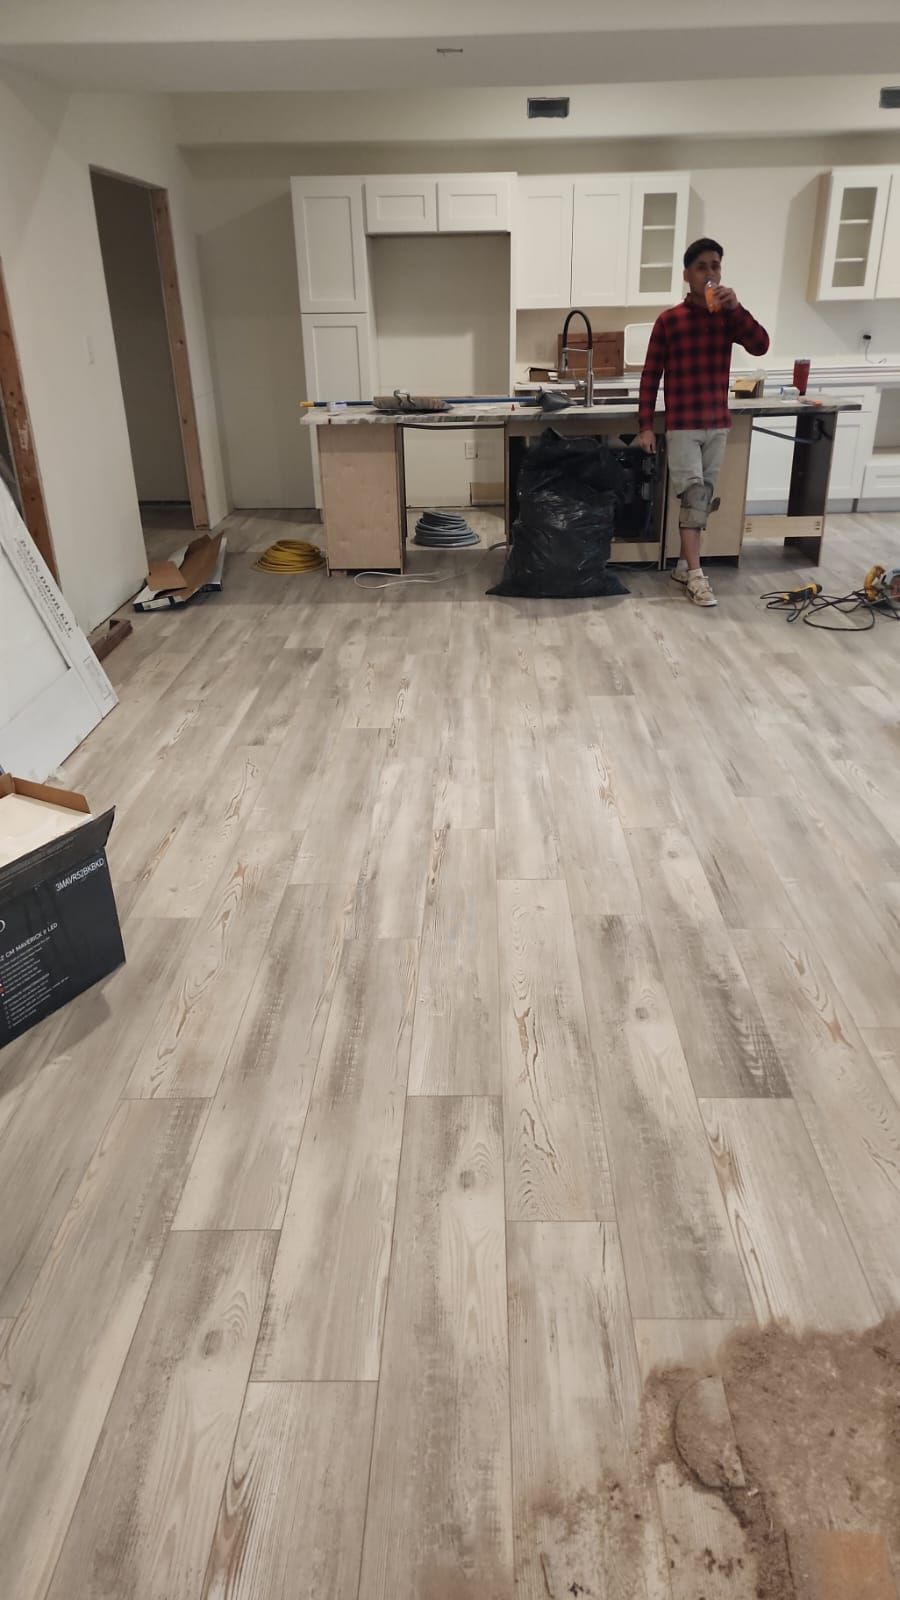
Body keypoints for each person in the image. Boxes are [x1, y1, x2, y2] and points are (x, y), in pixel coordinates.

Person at [637, 237, 769, 607]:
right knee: (694, 497)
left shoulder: (728, 317)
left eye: (715, 266)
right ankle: (697, 576)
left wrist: (738, 308)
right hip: (683, 424)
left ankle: (682, 565)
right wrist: (646, 425)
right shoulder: (670, 321)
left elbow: (761, 345)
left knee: (703, 500)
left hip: (717, 422)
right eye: (702, 267)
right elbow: (651, 375)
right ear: (687, 275)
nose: (710, 274)